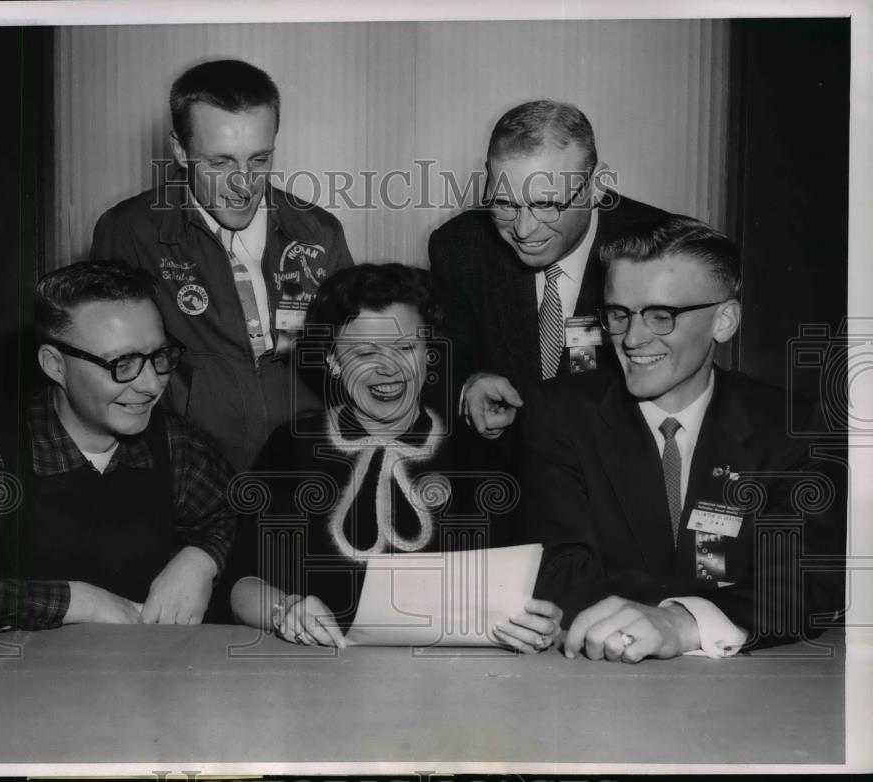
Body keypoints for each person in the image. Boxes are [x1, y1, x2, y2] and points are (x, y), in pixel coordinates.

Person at [518, 216, 843, 661]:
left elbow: (807, 581)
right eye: (619, 314)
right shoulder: (559, 413)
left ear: (724, 321)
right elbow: (559, 571)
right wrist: (713, 600)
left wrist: (683, 621)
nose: (632, 338)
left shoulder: (789, 424)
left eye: (661, 315)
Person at [225, 263, 561, 651]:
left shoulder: (481, 453)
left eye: (405, 348)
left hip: (456, 682)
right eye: (365, 351)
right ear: (333, 360)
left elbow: (529, 583)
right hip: (316, 674)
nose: (389, 369)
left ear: (429, 353)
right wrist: (286, 609)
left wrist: (541, 621)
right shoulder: (291, 447)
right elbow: (241, 585)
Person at [0, 261, 236, 633]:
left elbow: (238, 514)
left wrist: (202, 558)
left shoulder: (175, 441)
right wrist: (78, 602)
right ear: (55, 365)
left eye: (160, 357)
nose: (152, 385)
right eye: (122, 363)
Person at [90, 59, 354, 472]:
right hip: (188, 468)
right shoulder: (130, 230)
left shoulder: (319, 230)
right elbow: (105, 370)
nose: (242, 185)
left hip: (305, 465)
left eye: (260, 160)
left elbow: (351, 356)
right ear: (180, 150)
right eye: (220, 163)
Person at [429, 99, 671, 442]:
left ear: (595, 186)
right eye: (504, 203)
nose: (524, 230)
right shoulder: (460, 248)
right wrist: (470, 382)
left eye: (546, 204)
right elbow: (446, 357)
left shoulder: (665, 250)